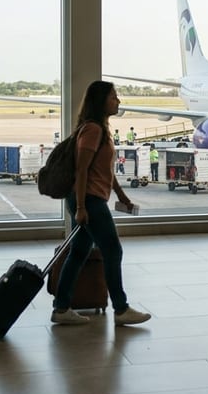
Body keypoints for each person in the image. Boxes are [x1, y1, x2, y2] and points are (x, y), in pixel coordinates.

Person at [50, 81, 151, 327]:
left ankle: (61, 308)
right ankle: (121, 308)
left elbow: (104, 170)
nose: (118, 101)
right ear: (101, 101)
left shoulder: (98, 130)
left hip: (89, 198)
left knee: (79, 252)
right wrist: (83, 207)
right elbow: (82, 170)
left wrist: (121, 195)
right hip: (89, 200)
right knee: (113, 250)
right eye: (114, 97)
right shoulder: (93, 130)